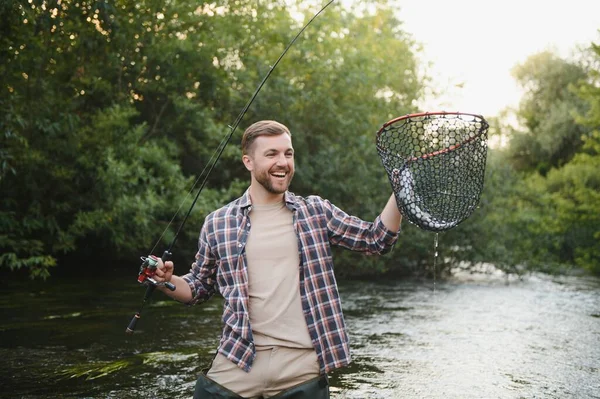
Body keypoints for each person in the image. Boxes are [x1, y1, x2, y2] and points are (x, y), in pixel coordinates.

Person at [153, 120, 402, 399]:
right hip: (237, 360)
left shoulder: (315, 212)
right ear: (248, 161)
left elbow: (376, 239)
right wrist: (166, 281)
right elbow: (198, 288)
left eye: (288, 153)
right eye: (271, 154)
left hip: (300, 366)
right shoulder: (218, 222)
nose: (282, 162)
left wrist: (400, 192)